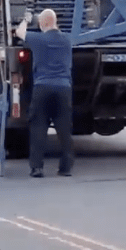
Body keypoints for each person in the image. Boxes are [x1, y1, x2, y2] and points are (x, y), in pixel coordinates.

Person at [15, 9, 74, 178]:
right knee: (64, 128)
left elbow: (19, 33)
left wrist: (26, 20)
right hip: (64, 88)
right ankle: (65, 168)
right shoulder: (67, 40)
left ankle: (37, 168)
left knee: (38, 127)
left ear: (43, 23)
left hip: (43, 87)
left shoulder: (38, 39)